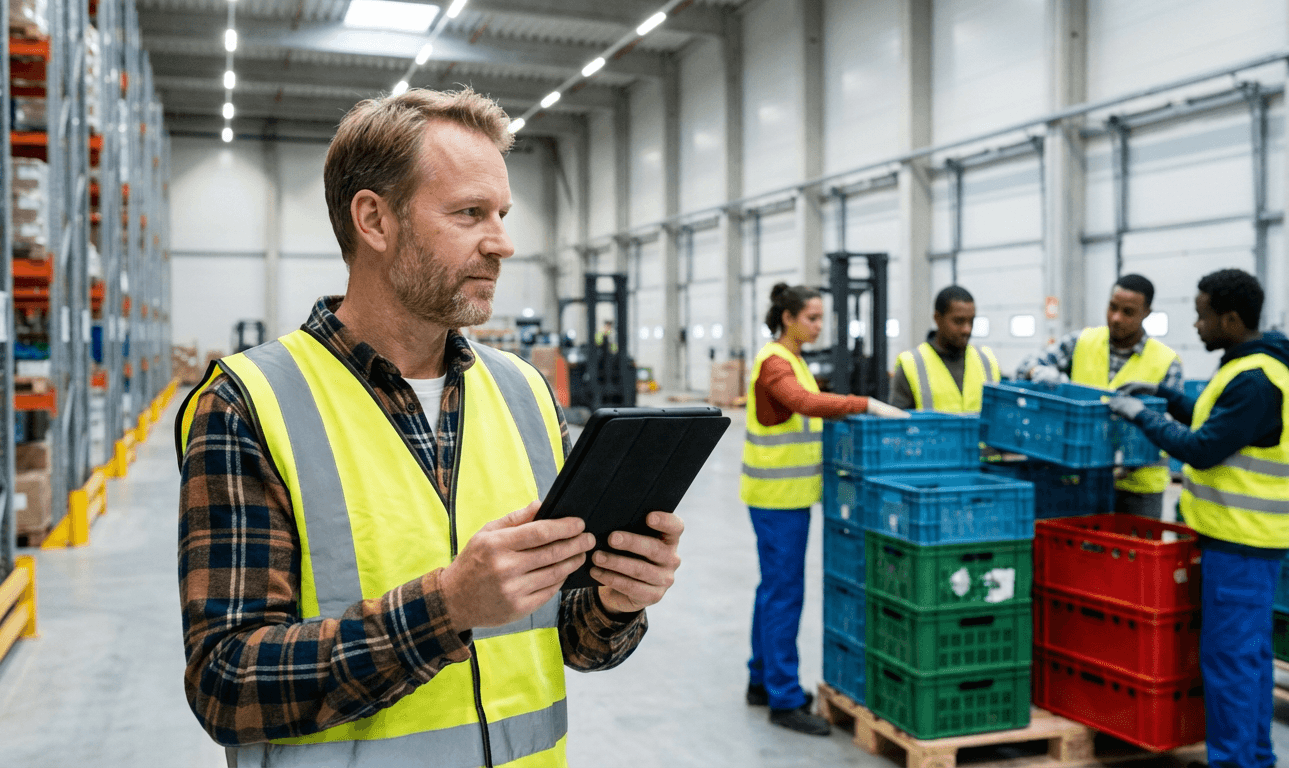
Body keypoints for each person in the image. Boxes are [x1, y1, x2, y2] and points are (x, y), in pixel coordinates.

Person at [175, 88, 683, 767]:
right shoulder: (250, 403)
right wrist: (447, 606)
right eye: (470, 213)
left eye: (501, 213)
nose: (503, 242)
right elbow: (227, 685)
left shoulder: (525, 393)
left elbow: (574, 639)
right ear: (374, 221)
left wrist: (617, 601)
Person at [1109, 269, 1289, 768]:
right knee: (1250, 659)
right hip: (1245, 541)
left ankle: (1237, 762)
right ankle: (1255, 757)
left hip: (1241, 542)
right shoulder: (1249, 368)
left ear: (1231, 319)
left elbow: (1201, 447)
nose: (1196, 325)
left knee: (1231, 662)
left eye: (1203, 315)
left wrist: (1140, 414)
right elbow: (1216, 421)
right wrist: (1166, 396)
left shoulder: (1255, 379)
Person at [740, 282, 907, 737]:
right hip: (779, 501)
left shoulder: (791, 360)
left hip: (784, 497)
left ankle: (761, 680)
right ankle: (784, 698)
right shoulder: (776, 362)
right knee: (784, 593)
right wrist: (867, 405)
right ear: (789, 318)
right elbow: (805, 403)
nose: (819, 325)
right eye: (812, 317)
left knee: (772, 589)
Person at [1016, 274, 1183, 518]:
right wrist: (1038, 371)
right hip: (1081, 480)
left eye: (1128, 312)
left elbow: (1170, 430)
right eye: (1112, 307)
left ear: (1147, 312)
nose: (1116, 318)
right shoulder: (1081, 342)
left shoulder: (1167, 362)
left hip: (1137, 490)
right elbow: (1027, 364)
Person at [889, 285, 1000, 413]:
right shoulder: (912, 364)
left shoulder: (987, 359)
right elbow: (897, 422)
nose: (967, 329)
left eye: (971, 321)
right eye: (958, 321)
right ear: (937, 318)